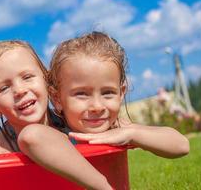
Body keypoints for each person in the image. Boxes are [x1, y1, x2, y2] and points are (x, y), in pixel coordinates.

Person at [0, 40, 112, 190]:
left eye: (27, 77)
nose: (20, 90)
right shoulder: (3, 149)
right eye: (4, 88)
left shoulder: (73, 120)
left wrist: (132, 133)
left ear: (45, 79)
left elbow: (124, 127)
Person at [48, 31, 189, 159]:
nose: (97, 106)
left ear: (121, 93)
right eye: (82, 94)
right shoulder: (56, 136)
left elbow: (182, 145)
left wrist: (132, 134)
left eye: (107, 92)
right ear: (57, 98)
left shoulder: (118, 129)